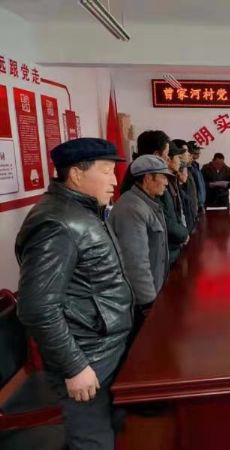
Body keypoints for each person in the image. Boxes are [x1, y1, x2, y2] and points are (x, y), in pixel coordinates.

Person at [16, 138, 133, 450]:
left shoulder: (84, 211)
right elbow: (37, 307)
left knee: (115, 430)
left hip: (104, 346)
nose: (114, 180)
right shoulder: (58, 222)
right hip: (88, 357)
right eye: (106, 171)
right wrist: (74, 367)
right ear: (77, 174)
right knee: (93, 440)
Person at [109, 155, 170, 333]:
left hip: (153, 291)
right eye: (163, 177)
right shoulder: (132, 209)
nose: (166, 183)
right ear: (148, 178)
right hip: (141, 302)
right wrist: (149, 303)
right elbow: (135, 262)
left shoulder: (147, 203)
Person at [158, 142, 189, 265]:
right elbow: (166, 219)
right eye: (178, 158)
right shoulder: (160, 186)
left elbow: (178, 211)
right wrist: (183, 234)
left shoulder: (172, 179)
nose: (180, 162)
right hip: (169, 248)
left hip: (177, 243)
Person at [120, 130, 170, 195]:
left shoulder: (134, 170)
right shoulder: (141, 175)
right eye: (167, 154)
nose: (168, 158)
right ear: (156, 155)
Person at [172, 139, 198, 224]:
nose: (189, 154)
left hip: (191, 214)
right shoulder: (174, 174)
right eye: (186, 151)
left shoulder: (189, 169)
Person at [187, 140, 207, 212]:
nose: (198, 152)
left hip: (201, 204)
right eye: (196, 150)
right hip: (194, 204)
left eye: (199, 150)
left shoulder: (196, 165)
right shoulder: (188, 167)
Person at [178, 162, 196, 234]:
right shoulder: (178, 190)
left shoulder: (183, 188)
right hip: (184, 229)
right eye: (185, 172)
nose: (187, 175)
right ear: (179, 173)